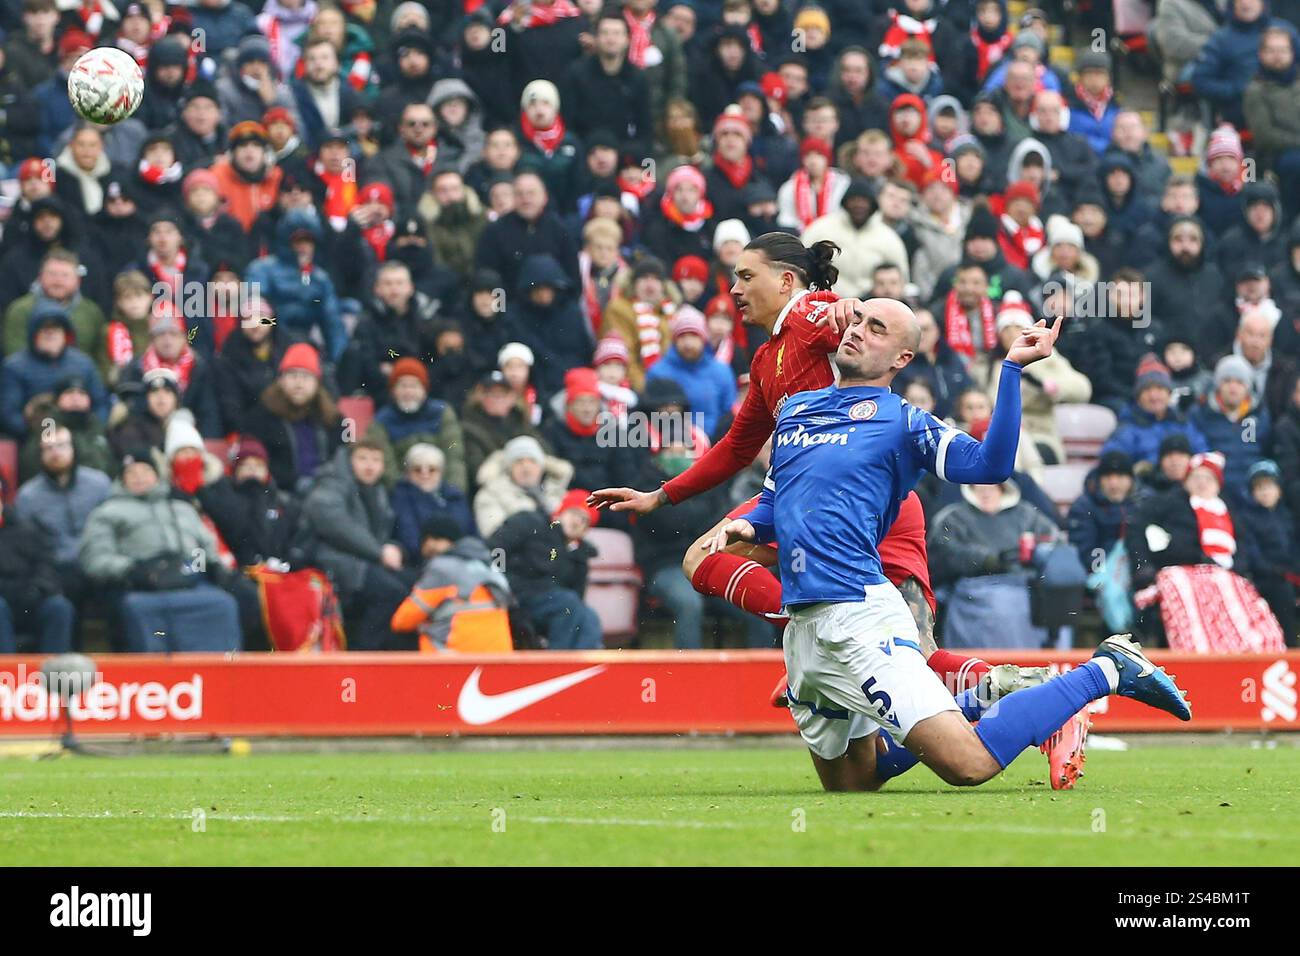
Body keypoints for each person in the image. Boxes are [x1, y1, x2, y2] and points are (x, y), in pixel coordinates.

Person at [702, 297, 1189, 792]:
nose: (856, 331)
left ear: (902, 359)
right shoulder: (796, 412)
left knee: (968, 766)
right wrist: (753, 528)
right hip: (804, 629)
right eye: (857, 320)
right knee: (852, 783)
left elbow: (990, 465)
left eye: (876, 328)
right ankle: (977, 697)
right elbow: (775, 500)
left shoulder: (903, 421)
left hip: (861, 615)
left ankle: (1106, 670)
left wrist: (1011, 372)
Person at [589, 234, 1054, 745]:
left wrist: (848, 307)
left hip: (874, 504)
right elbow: (738, 447)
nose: (736, 289)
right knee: (911, 667)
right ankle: (1023, 695)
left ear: (786, 280)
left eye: (747, 277)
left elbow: (843, 311)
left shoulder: (811, 314)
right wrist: (661, 495)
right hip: (810, 505)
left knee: (911, 663)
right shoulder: (768, 360)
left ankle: (1045, 701)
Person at [79, 448, 242, 653]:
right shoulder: (107, 512)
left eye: (145, 471)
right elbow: (95, 558)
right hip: (140, 584)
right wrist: (132, 569)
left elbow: (207, 544)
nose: (139, 477)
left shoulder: (182, 507)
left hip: (188, 578)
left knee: (224, 603)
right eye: (131, 473)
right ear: (122, 480)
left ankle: (221, 673)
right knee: (138, 609)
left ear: (157, 475)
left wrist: (214, 564)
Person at [301, 440, 416, 651]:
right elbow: (333, 522)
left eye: (375, 460)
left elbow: (383, 534)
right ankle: (361, 656)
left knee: (414, 584)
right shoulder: (333, 483)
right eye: (362, 458)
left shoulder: (379, 491)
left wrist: (395, 548)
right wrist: (379, 551)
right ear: (349, 460)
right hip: (333, 560)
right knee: (389, 592)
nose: (369, 466)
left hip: (365, 560)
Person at [487, 489, 603, 650]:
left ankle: (583, 668)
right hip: (516, 594)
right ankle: (556, 665)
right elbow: (495, 549)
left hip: (551, 604)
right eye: (574, 513)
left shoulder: (579, 555)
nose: (577, 522)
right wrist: (500, 583)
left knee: (590, 617)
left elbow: (578, 594)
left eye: (584, 520)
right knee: (568, 604)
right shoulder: (529, 522)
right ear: (560, 512)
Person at [390, 516, 514, 653]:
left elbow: (402, 621)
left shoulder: (441, 568)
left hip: (454, 660)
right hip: (499, 657)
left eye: (433, 540)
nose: (429, 546)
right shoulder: (488, 566)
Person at [0, 475, 74, 653]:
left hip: (29, 598)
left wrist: (37, 589)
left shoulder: (27, 529)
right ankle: (5, 674)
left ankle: (55, 675)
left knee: (59, 607)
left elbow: (47, 565)